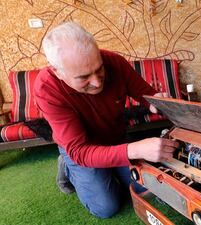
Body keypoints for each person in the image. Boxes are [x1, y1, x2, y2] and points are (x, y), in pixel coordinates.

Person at [33, 22, 179, 218]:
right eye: (84, 77)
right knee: (106, 207)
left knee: (147, 188)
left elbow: (146, 94)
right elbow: (80, 151)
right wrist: (137, 149)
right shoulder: (46, 89)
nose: (97, 81)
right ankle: (67, 165)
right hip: (80, 149)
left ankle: (109, 171)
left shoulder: (114, 62)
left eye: (99, 69)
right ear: (58, 72)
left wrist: (158, 102)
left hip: (115, 138)